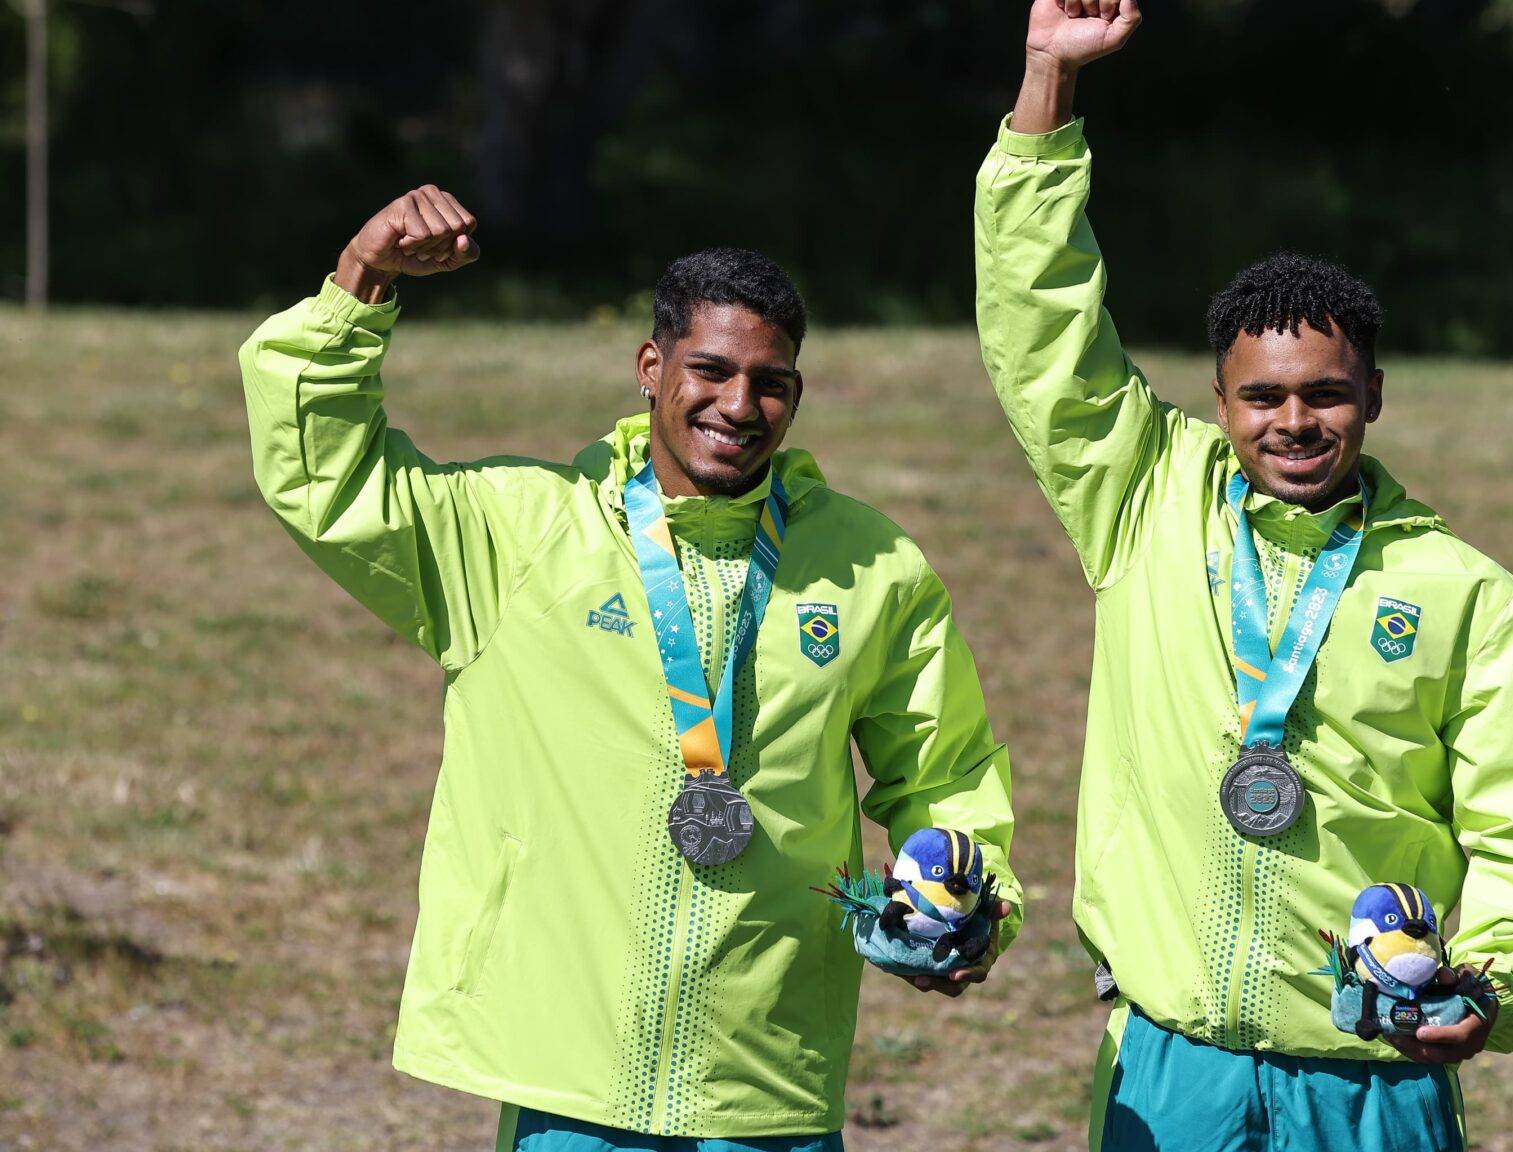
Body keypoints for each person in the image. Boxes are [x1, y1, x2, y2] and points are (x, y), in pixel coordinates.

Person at [239, 189, 1019, 1151]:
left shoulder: (871, 568)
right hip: (573, 1083)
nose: (739, 405)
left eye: (770, 382)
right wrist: (360, 284)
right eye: (711, 370)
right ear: (650, 368)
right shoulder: (520, 533)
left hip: (765, 1080)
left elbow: (944, 774)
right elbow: (325, 476)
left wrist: (973, 906)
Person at [974, 0, 1513, 1152]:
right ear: (1218, 400)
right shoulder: (1144, 499)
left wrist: (1500, 978)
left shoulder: (1462, 592)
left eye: (1326, 394)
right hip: (1175, 1064)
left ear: (1374, 395)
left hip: (1373, 1076)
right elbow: (1040, 328)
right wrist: (1046, 83)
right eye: (1262, 397)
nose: (1294, 422)